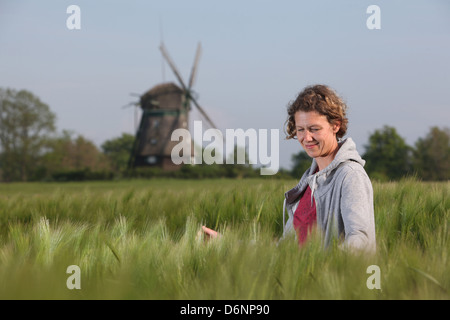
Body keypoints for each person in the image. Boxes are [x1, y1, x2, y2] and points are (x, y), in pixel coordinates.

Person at [202, 84, 376, 253]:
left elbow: (360, 242)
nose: (306, 137)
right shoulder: (308, 182)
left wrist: (324, 269)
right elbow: (285, 250)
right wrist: (228, 243)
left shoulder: (350, 176)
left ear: (335, 125)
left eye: (314, 129)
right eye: (300, 129)